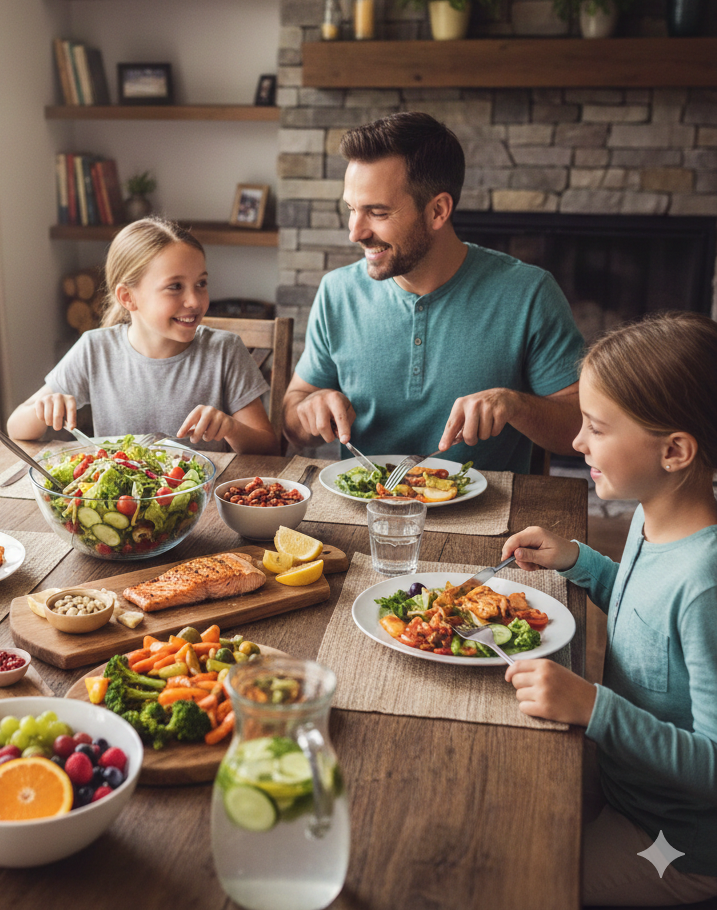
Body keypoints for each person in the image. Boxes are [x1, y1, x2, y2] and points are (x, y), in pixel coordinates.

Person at [501, 311, 717, 906]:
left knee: (510, 881)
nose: (575, 443)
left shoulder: (707, 587)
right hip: (622, 781)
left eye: (595, 428)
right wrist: (582, 563)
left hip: (674, 844)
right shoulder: (660, 513)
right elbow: (648, 612)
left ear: (673, 450)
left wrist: (593, 706)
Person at [282, 111, 585, 473]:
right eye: (351, 209)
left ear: (438, 210)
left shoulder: (530, 293)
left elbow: (580, 429)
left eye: (376, 213)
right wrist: (308, 411)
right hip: (363, 512)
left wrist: (515, 405)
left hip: (487, 519)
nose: (355, 232)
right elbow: (292, 421)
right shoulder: (337, 291)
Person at [7, 217, 279, 454]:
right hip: (120, 505)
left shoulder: (225, 350)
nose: (195, 301)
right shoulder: (95, 349)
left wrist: (231, 428)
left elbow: (268, 447)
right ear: (128, 297)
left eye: (201, 284)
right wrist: (42, 409)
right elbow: (15, 427)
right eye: (175, 286)